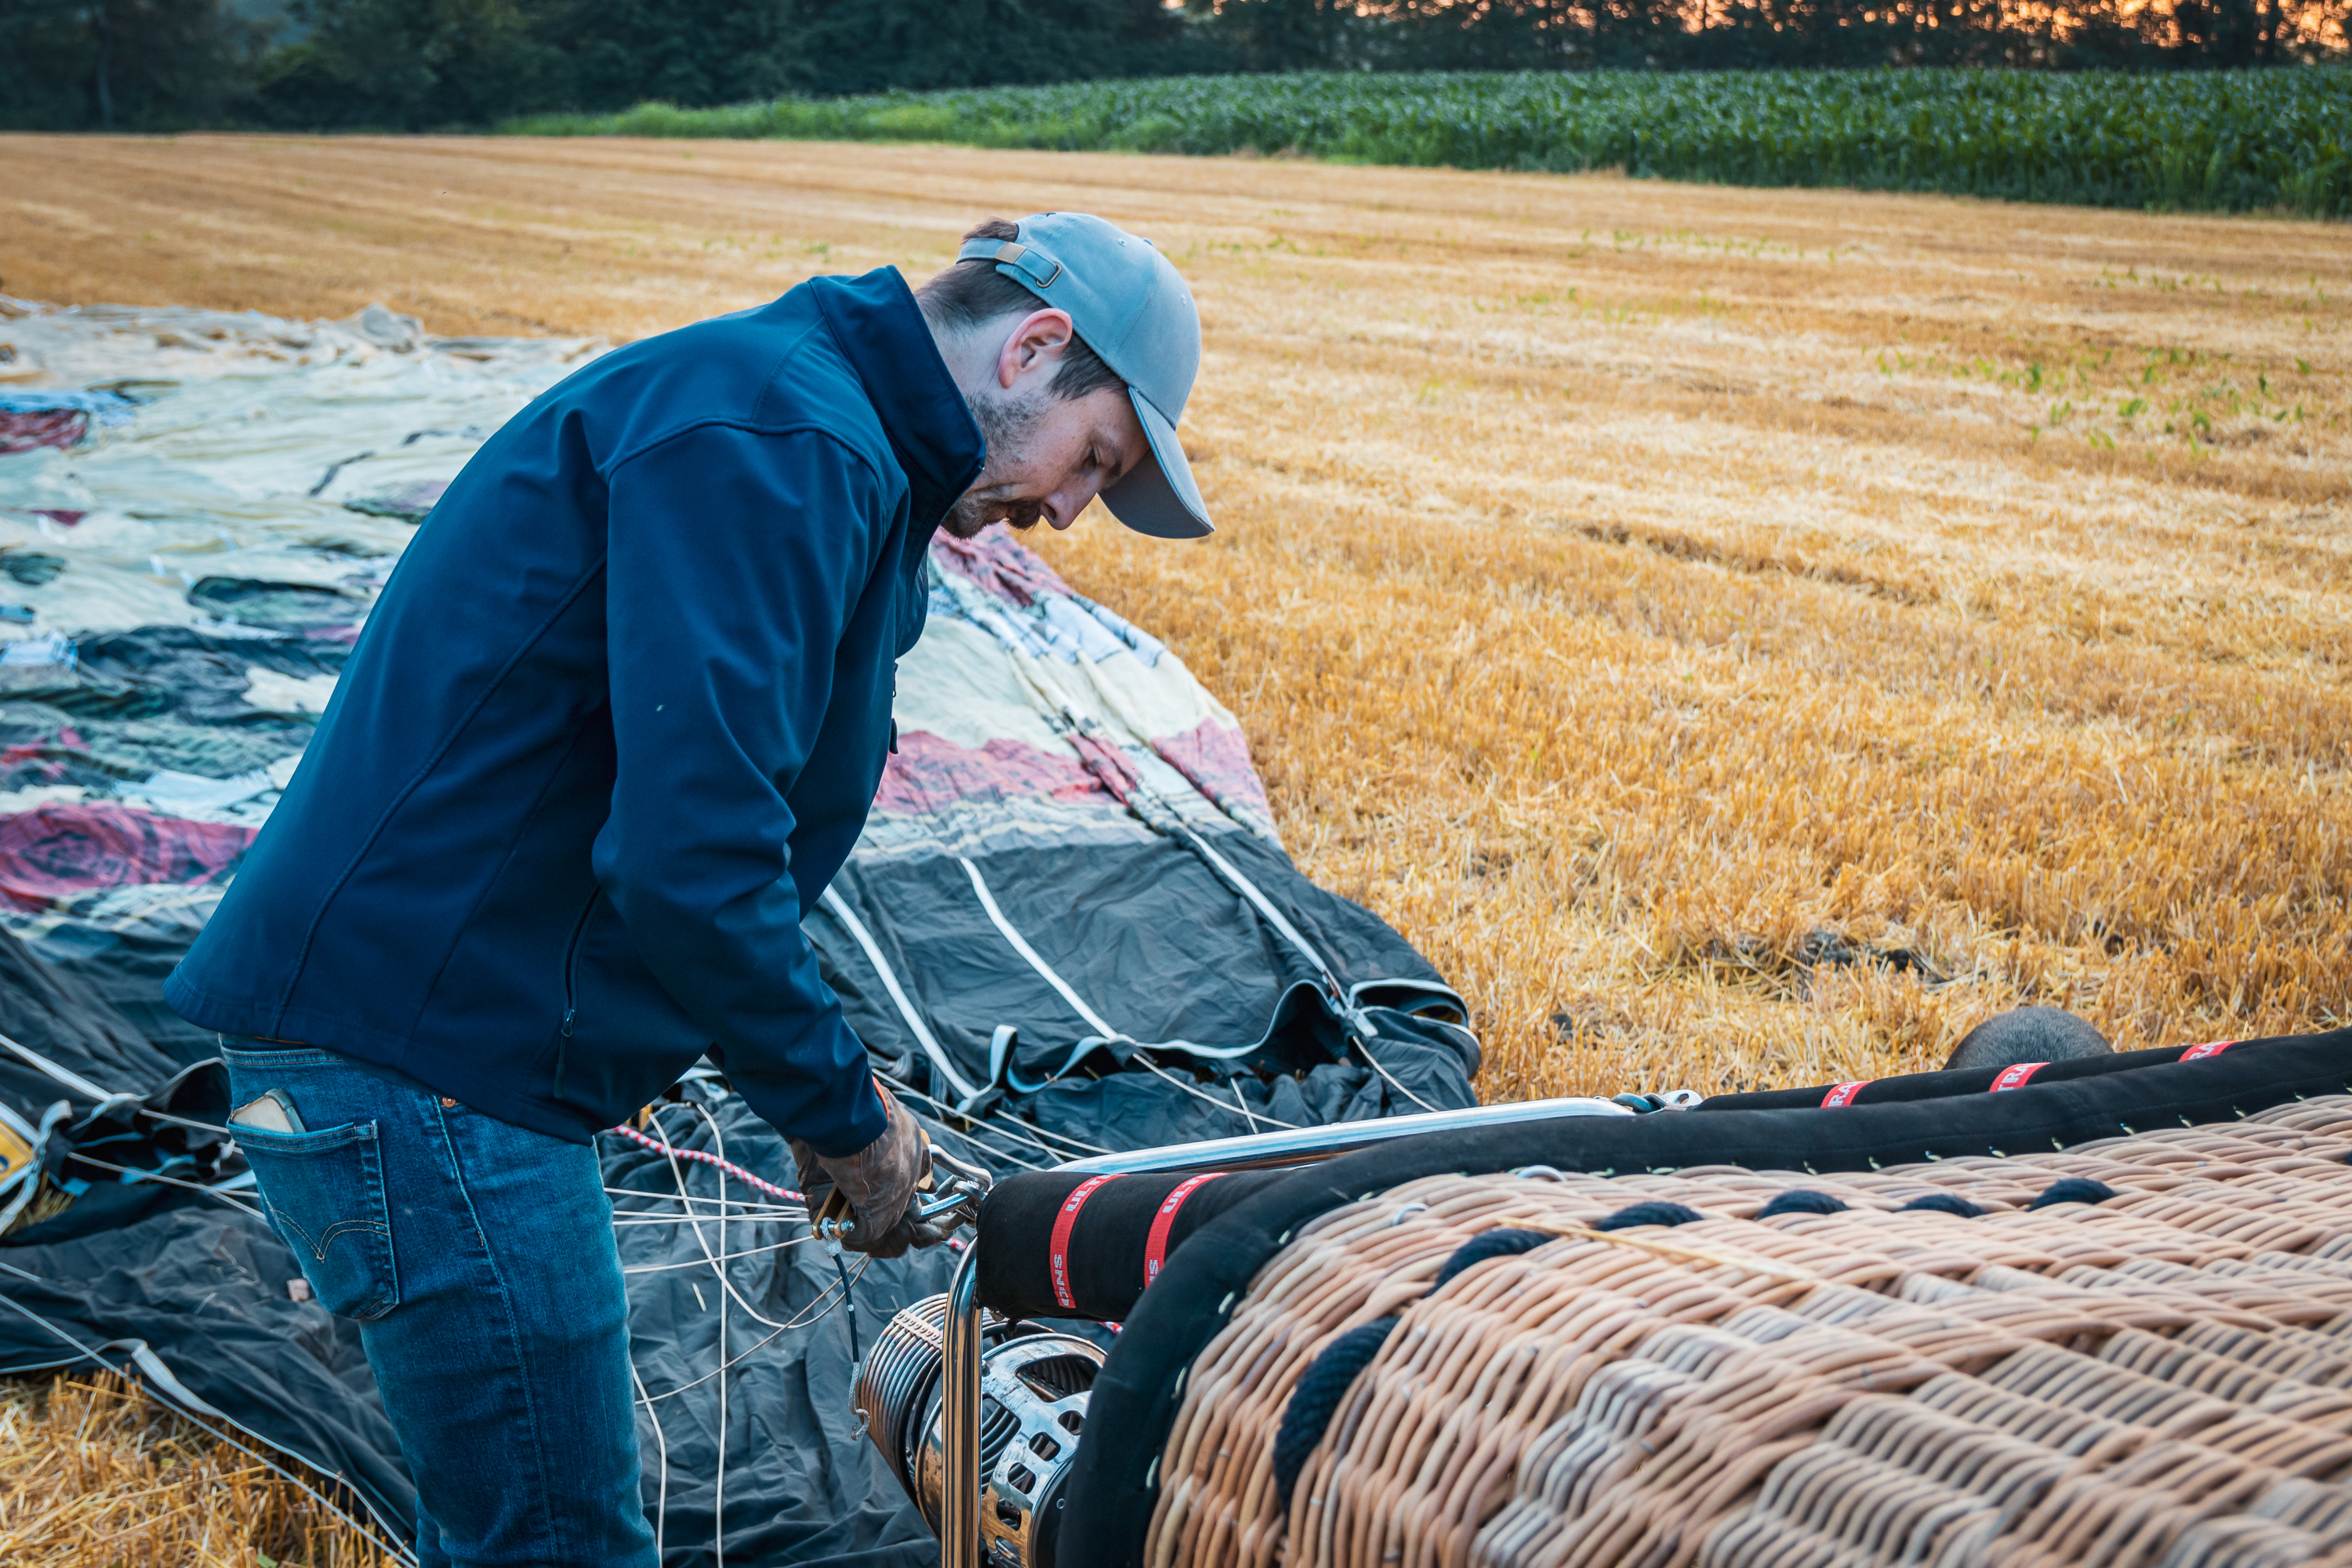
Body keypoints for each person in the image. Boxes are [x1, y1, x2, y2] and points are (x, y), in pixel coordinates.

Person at [162, 212, 1213, 1567]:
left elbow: (723, 817)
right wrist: (842, 1115)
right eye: (1098, 460)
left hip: (441, 1047)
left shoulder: (823, 432)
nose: (1070, 511)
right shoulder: (781, 444)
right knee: (558, 1543)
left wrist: (798, 1077)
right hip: (420, 1067)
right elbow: (693, 858)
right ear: (1036, 347)